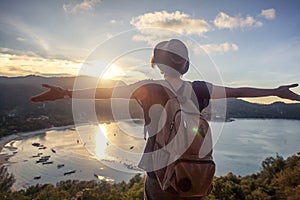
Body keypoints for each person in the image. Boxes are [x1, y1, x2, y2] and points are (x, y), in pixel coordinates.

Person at [30, 39, 300, 199]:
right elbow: (240, 91)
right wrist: (277, 92)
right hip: (196, 176)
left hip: (160, 178)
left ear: (158, 64)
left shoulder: (149, 89)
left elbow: (104, 91)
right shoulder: (200, 89)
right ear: (184, 65)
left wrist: (65, 93)